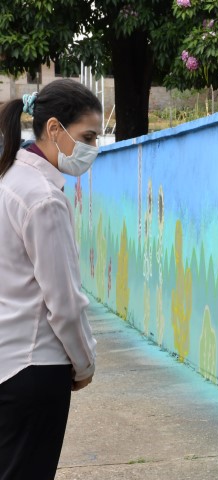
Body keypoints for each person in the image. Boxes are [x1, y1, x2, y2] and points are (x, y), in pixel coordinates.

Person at [0, 79, 100, 480]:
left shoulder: (9, 183)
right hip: (36, 367)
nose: (93, 147)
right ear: (54, 129)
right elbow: (64, 302)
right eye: (88, 136)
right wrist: (84, 362)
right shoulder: (44, 198)